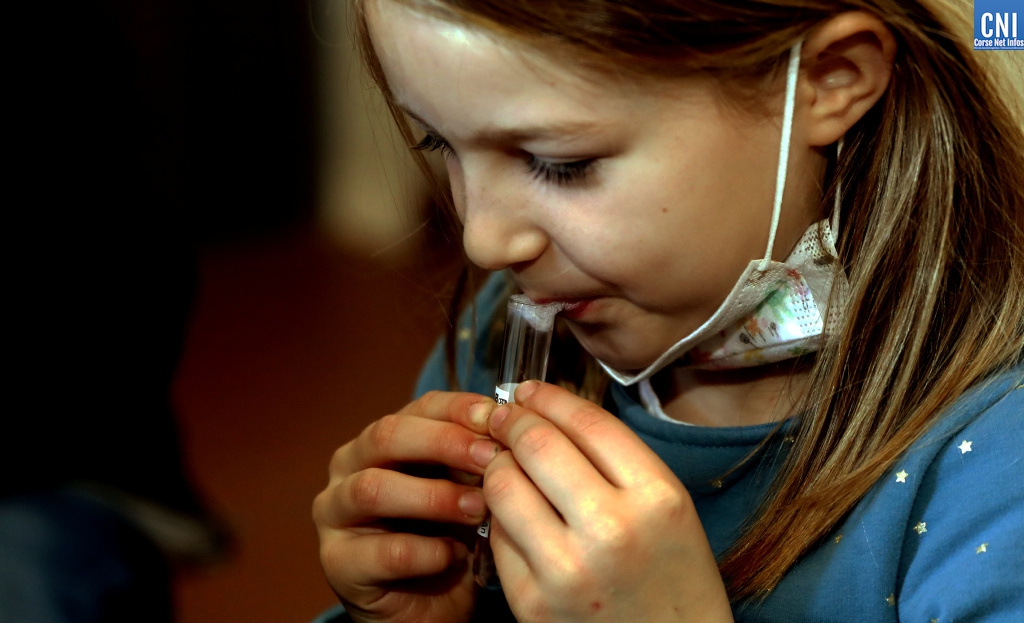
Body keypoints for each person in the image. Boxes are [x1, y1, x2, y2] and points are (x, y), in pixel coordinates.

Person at [312, 0, 1024, 621]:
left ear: (827, 80)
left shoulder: (994, 474)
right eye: (439, 141)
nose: (484, 238)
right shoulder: (504, 330)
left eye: (560, 164)